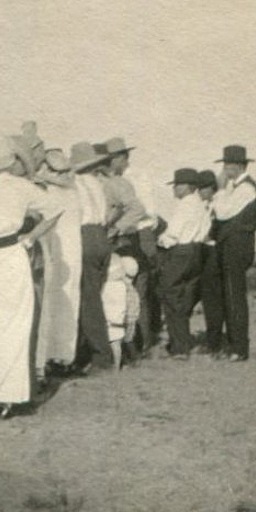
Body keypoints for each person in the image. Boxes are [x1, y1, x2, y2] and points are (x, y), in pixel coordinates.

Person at [0, 133, 61, 421]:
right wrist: (31, 237)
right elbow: (55, 210)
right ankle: (3, 397)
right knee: (7, 328)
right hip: (1, 257)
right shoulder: (18, 185)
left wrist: (29, 237)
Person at [103, 137, 162, 356]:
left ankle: (142, 341)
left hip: (139, 234)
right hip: (126, 235)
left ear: (121, 158)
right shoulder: (115, 179)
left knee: (138, 289)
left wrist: (117, 226)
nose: (110, 164)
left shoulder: (135, 178)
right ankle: (132, 341)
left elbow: (143, 211)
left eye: (112, 159)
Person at [209, 145, 256, 362]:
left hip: (238, 245)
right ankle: (233, 344)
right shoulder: (235, 187)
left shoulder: (246, 188)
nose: (224, 169)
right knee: (228, 294)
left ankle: (239, 348)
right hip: (229, 244)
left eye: (228, 165)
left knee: (234, 295)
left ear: (240, 166)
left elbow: (223, 213)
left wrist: (220, 190)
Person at [34, 147, 83, 376]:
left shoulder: (51, 193)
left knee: (51, 302)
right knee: (68, 300)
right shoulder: (73, 192)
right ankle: (63, 356)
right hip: (72, 252)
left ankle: (48, 356)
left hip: (57, 250)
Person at [69, 142, 115, 372]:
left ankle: (100, 356)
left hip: (85, 235)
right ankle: (84, 353)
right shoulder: (98, 183)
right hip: (101, 236)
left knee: (87, 300)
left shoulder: (74, 184)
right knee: (94, 295)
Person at [156, 168, 210, 359]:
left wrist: (160, 240)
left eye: (178, 185)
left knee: (170, 295)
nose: (175, 188)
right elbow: (205, 229)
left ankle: (179, 346)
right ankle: (184, 341)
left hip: (181, 251)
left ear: (188, 186)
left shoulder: (184, 205)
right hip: (196, 251)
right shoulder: (200, 204)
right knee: (185, 297)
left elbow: (172, 234)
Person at [194, 169, 221, 351]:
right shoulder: (206, 205)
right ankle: (213, 339)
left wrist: (208, 236)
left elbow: (218, 227)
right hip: (204, 251)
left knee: (212, 299)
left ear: (211, 188)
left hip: (213, 252)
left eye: (202, 188)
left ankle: (214, 342)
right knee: (207, 298)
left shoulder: (219, 204)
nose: (199, 192)